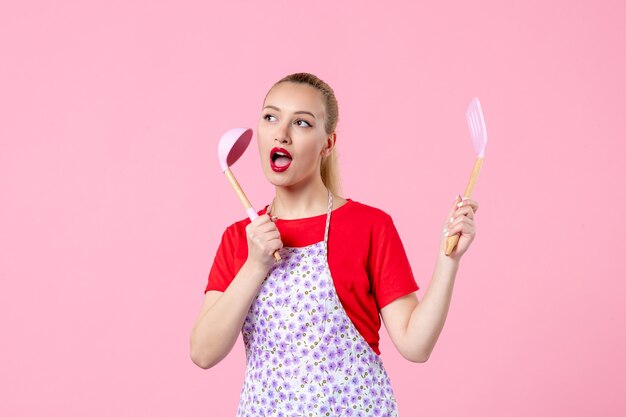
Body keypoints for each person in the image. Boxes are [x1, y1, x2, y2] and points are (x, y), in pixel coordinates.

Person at [190, 72, 479, 416]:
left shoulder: (370, 226)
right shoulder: (240, 238)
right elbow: (203, 352)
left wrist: (449, 261)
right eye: (271, 117)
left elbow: (415, 345)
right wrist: (255, 265)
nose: (281, 133)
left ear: (328, 144)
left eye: (301, 123)